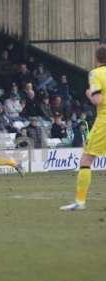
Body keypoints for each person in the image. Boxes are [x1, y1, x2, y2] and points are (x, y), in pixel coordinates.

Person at [61, 45, 106, 211]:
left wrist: (89, 94)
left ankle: (80, 201)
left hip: (104, 121)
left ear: (97, 59)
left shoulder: (95, 73)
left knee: (86, 159)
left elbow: (97, 100)